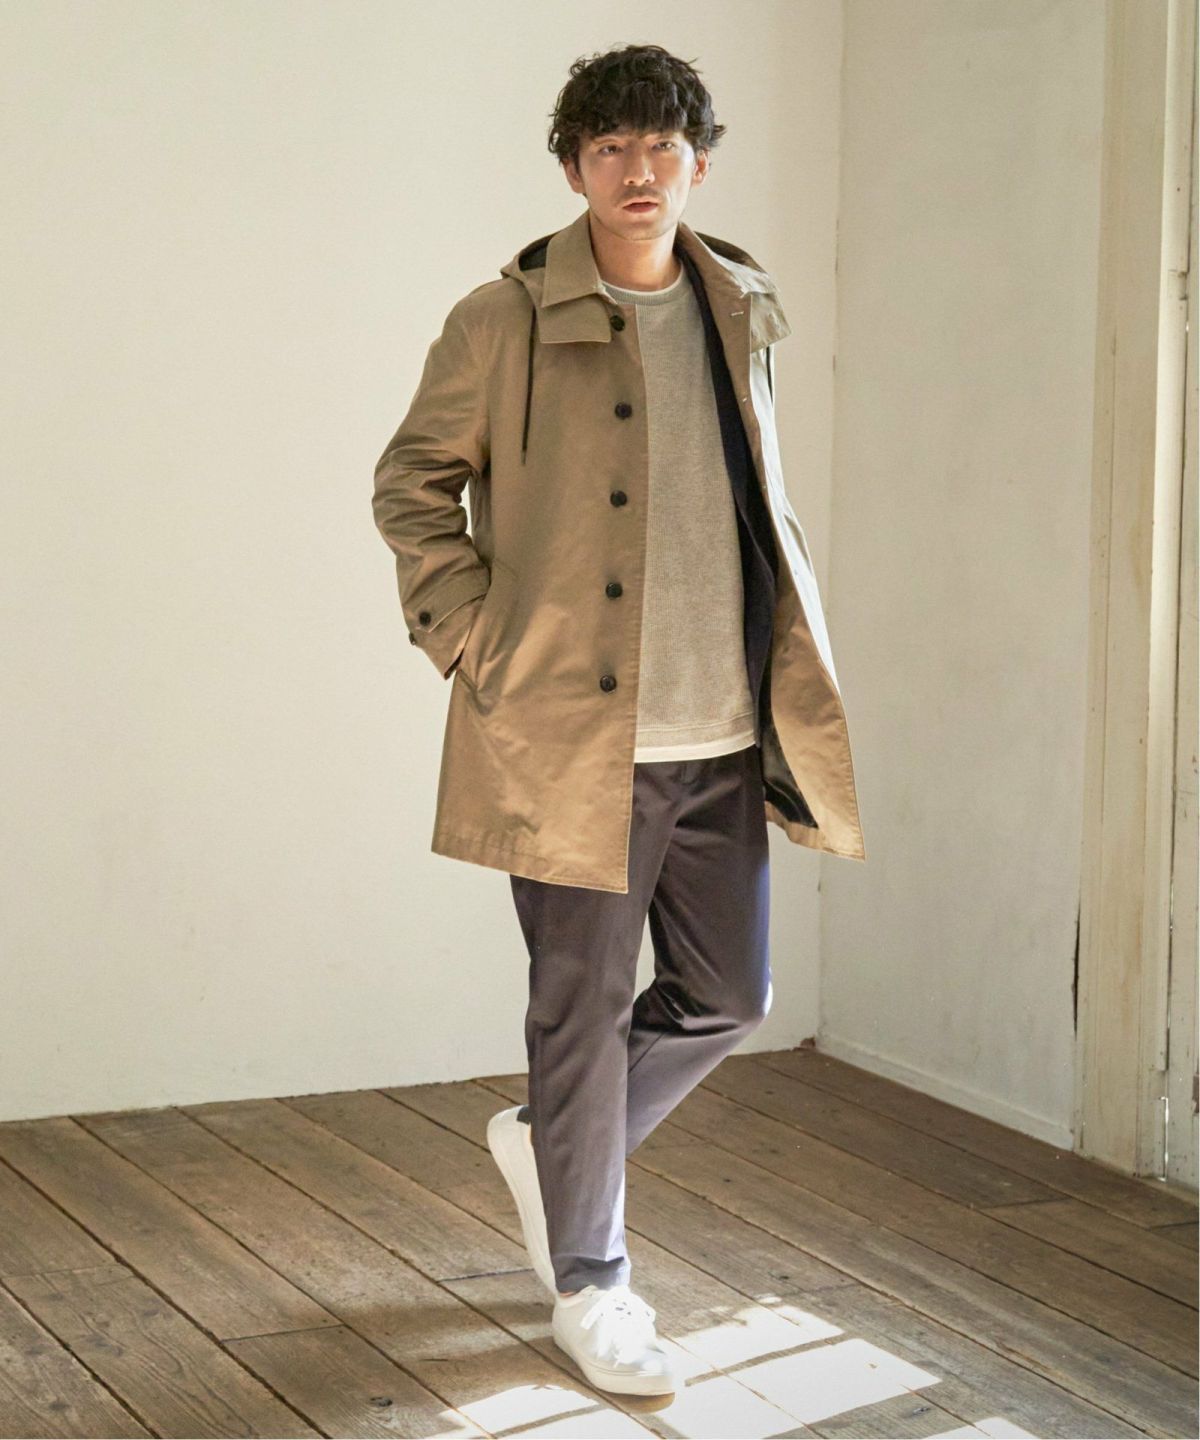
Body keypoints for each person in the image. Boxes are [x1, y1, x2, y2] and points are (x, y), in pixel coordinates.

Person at [371, 43, 866, 1399]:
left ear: (698, 160)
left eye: (660, 146)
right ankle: (591, 1284)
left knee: (730, 995)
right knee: (578, 1011)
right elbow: (412, 485)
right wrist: (476, 642)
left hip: (722, 729)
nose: (637, 171)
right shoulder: (503, 320)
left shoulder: (739, 302)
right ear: (574, 168)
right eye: (609, 149)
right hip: (571, 739)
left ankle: (553, 1145)